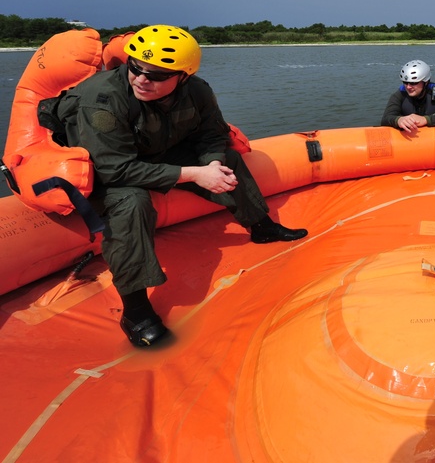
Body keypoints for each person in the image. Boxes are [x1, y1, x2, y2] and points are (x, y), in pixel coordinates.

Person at [48, 25, 308, 348]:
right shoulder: (102, 101)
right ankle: (135, 309)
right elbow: (115, 168)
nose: (142, 79)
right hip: (108, 163)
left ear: (182, 77)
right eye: (136, 68)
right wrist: (193, 174)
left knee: (226, 157)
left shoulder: (198, 91)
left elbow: (213, 133)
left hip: (153, 147)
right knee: (129, 203)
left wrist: (211, 164)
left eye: (157, 75)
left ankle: (261, 226)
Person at [381, 59, 435, 131]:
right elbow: (385, 118)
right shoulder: (399, 95)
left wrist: (426, 120)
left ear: (425, 82)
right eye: (405, 82)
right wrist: (398, 120)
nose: (408, 87)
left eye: (413, 83)